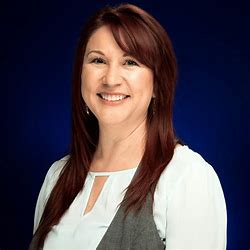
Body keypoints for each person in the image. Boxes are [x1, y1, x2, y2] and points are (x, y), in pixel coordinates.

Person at [29, 3, 227, 250]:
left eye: (130, 62)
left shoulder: (185, 177)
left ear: (157, 84)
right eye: (98, 60)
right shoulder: (57, 177)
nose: (111, 79)